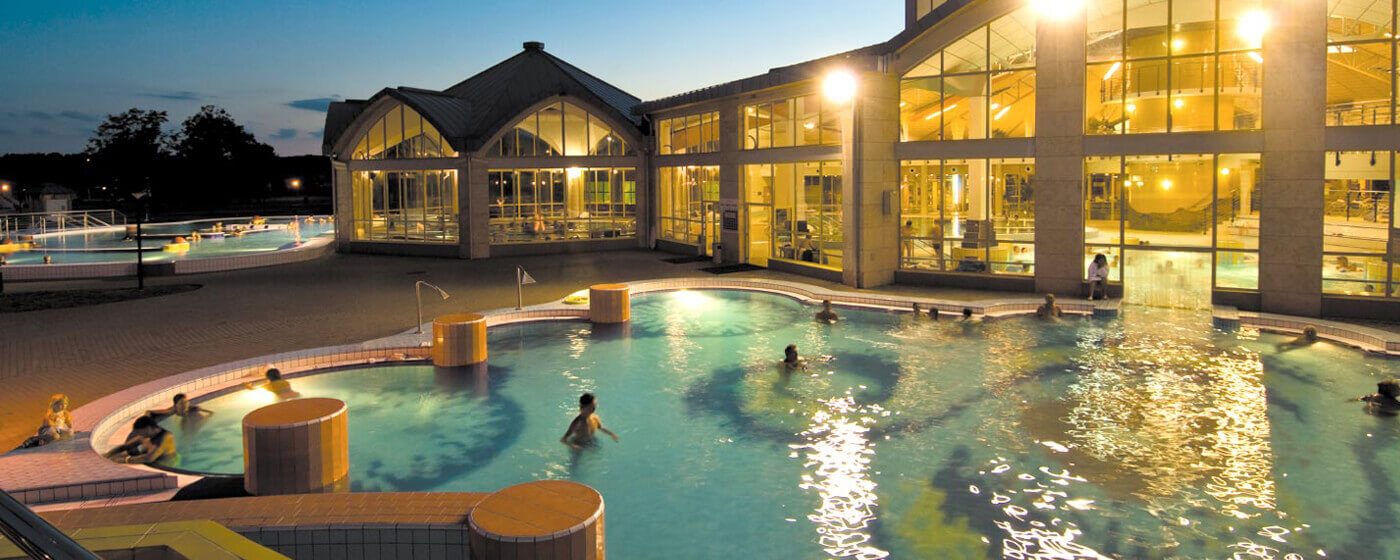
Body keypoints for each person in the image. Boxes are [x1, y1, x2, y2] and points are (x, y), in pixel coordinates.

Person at [104, 415, 179, 467]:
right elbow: (124, 447)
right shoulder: (145, 436)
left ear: (148, 428)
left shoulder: (166, 436)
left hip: (167, 465)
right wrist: (107, 455)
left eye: (140, 432)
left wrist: (123, 460)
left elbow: (149, 458)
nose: (140, 434)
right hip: (151, 462)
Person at [147, 393, 212, 422]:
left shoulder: (194, 409)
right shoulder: (172, 410)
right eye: (181, 403)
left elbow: (211, 413)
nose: (185, 405)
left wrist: (202, 421)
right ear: (176, 405)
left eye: (186, 402)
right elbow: (149, 412)